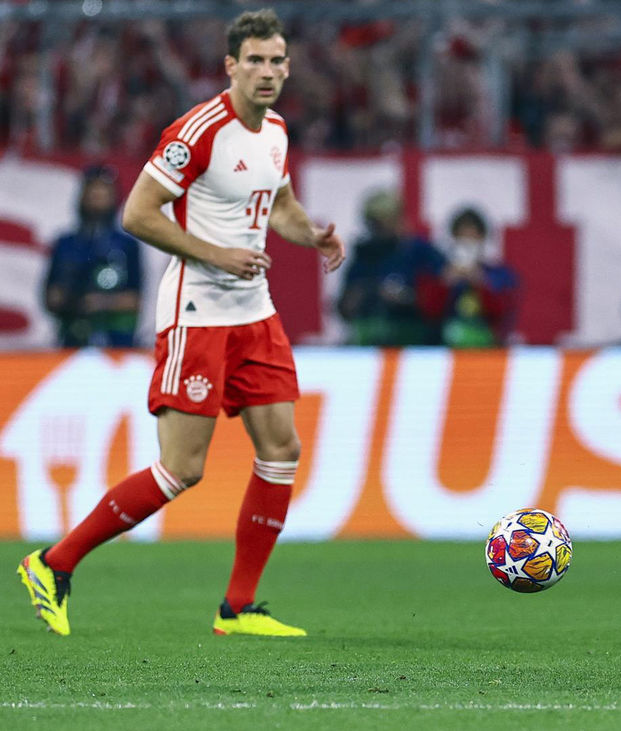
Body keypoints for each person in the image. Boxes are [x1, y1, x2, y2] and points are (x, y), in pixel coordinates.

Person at [16, 9, 344, 637]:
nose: (268, 72)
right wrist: (219, 254)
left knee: (281, 450)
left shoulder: (274, 130)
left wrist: (314, 235)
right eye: (256, 61)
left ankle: (238, 609)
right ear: (231, 66)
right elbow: (138, 214)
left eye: (278, 61)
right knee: (182, 470)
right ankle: (53, 563)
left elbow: (279, 205)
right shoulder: (199, 130)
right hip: (198, 314)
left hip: (257, 314)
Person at [43, 165, 143, 348]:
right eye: (92, 193)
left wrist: (100, 302)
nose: (97, 199)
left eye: (103, 194)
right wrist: (72, 300)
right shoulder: (65, 244)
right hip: (72, 338)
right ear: (82, 197)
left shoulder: (127, 246)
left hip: (116, 343)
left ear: (114, 199)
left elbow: (136, 300)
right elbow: (50, 296)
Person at [338, 189, 445, 346]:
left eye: (383, 222)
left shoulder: (421, 252)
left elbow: (441, 298)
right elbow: (345, 307)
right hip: (370, 339)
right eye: (374, 223)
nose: (379, 229)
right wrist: (364, 294)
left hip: (416, 338)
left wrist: (408, 298)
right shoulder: (363, 256)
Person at [427, 207, 518, 347]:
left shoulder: (500, 274)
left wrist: (480, 282)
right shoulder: (440, 273)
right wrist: (444, 284)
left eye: (472, 238)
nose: (467, 244)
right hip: (445, 350)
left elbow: (503, 314)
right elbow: (430, 313)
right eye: (462, 238)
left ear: (482, 239)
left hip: (487, 349)